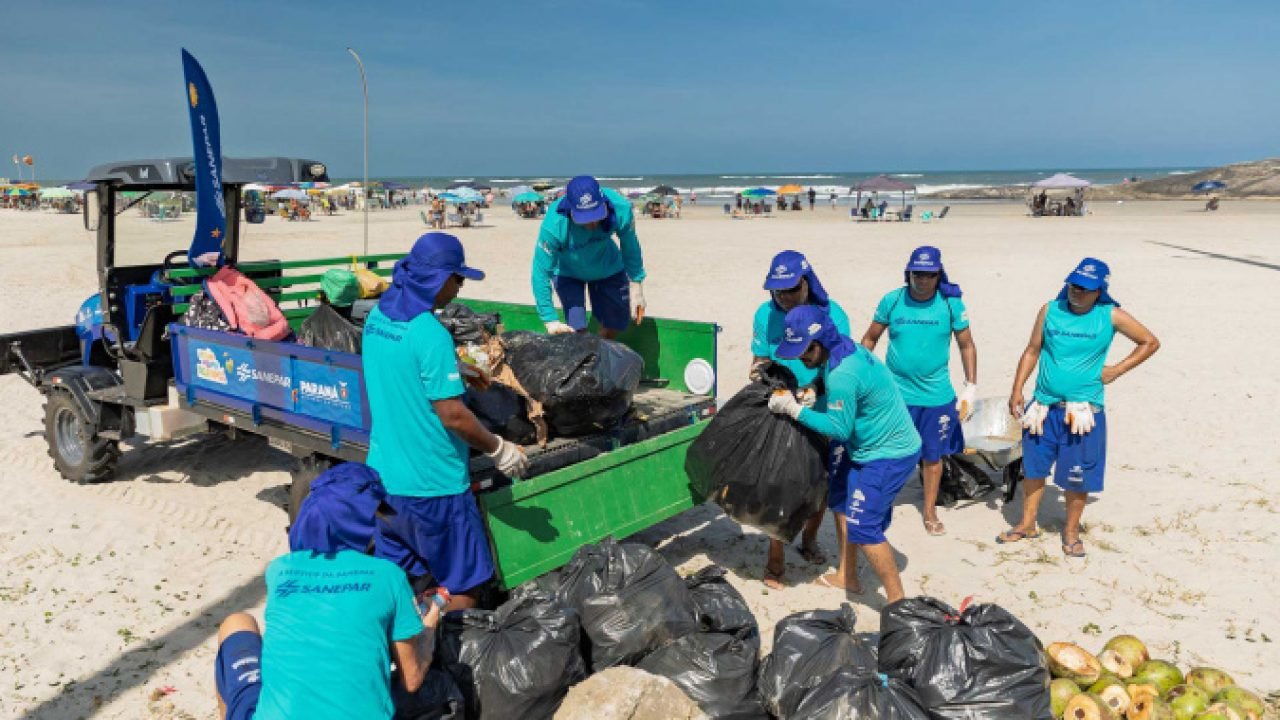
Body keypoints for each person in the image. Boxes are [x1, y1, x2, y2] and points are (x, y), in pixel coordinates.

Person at [363, 232, 530, 611]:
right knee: (464, 584)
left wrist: (455, 370)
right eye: (458, 279)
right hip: (433, 486)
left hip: (386, 481)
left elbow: (401, 367)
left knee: (399, 581)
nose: (460, 288)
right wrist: (499, 448)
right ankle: (450, 655)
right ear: (439, 279)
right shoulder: (430, 333)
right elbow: (453, 415)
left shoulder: (377, 318)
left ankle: (405, 651)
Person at [213, 463, 444, 720]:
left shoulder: (279, 571)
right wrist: (430, 624)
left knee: (236, 622)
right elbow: (411, 679)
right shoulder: (389, 576)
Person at [999, 258, 1159, 557]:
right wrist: (1017, 389)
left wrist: (1117, 369)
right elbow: (1032, 350)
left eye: (1085, 288)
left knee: (1078, 475)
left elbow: (1149, 342)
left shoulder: (1110, 315)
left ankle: (1071, 532)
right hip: (1043, 407)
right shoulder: (1049, 310)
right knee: (1033, 469)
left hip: (1083, 412)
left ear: (1099, 290)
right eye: (1074, 285)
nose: (1078, 292)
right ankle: (1027, 523)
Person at [768, 305, 921, 601]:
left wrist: (793, 409)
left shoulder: (843, 374)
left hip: (888, 453)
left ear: (821, 340)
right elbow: (833, 388)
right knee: (839, 499)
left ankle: (898, 604)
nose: (800, 357)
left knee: (864, 527)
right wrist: (814, 388)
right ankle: (847, 576)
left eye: (804, 350)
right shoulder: (842, 347)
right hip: (860, 445)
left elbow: (838, 430)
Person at [749, 250, 852, 588]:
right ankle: (776, 559)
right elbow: (761, 359)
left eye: (791, 289)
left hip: (820, 408)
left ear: (808, 283)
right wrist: (760, 375)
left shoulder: (833, 314)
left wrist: (812, 390)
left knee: (819, 487)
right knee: (779, 487)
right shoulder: (765, 315)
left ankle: (809, 539)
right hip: (780, 406)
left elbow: (842, 364)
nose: (785, 297)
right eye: (778, 291)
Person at [860, 247, 977, 536]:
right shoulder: (893, 300)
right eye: (917, 274)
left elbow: (966, 345)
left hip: (936, 396)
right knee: (885, 451)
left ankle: (929, 510)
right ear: (908, 273)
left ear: (938, 275)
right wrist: (862, 375)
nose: (922, 280)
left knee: (932, 457)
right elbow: (870, 338)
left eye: (929, 274)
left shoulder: (951, 304)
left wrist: (971, 386)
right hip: (895, 394)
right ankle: (881, 504)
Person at [532, 175, 647, 339]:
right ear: (570, 210)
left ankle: (600, 353)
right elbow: (540, 272)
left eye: (596, 216)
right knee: (576, 330)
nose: (592, 225)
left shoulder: (620, 208)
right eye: (584, 219)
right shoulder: (554, 224)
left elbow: (630, 246)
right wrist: (549, 319)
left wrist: (636, 284)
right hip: (567, 271)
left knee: (615, 323)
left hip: (608, 267)